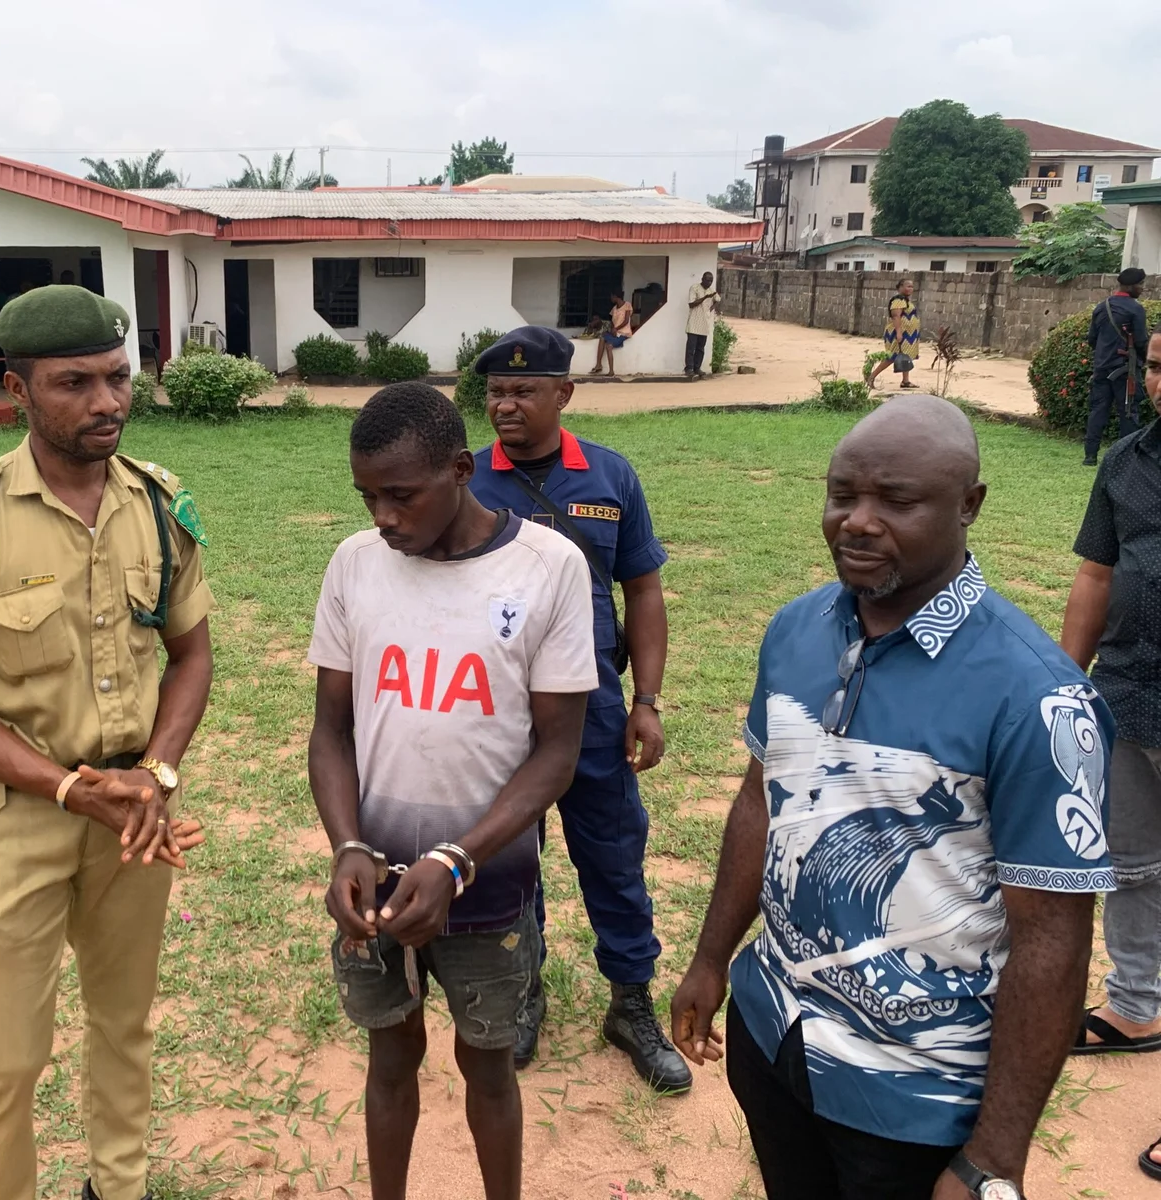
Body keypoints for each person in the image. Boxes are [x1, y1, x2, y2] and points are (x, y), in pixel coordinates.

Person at [671, 394, 1115, 1200]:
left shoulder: (1036, 697)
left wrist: (995, 1159)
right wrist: (710, 959)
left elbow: (1052, 938)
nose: (858, 522)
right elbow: (758, 805)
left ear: (969, 505)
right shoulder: (797, 631)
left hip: (914, 1093)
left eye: (897, 502)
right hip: (775, 1034)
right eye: (842, 495)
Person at [0, 285, 215, 1200]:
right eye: (75, 383)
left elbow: (191, 656)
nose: (107, 402)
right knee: (7, 1057)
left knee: (126, 1026)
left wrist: (156, 772)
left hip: (138, 816)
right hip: (15, 817)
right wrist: (71, 788)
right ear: (18, 389)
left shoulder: (160, 503)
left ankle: (121, 1188)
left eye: (117, 378)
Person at [308, 381, 597, 1200]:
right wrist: (347, 848)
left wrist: (456, 859)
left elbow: (556, 754)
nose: (383, 518)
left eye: (401, 495)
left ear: (462, 470)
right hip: (375, 888)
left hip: (490, 884)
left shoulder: (548, 569)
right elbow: (331, 731)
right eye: (368, 497)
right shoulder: (355, 566)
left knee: (489, 1065)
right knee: (390, 1056)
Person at [467, 326, 688, 1092]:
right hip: (498, 718)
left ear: (565, 393)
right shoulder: (465, 480)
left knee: (614, 859)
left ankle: (630, 1004)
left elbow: (644, 592)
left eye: (525, 391)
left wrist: (648, 700)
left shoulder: (609, 476)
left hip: (593, 709)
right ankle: (524, 994)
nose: (507, 405)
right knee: (509, 866)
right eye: (496, 391)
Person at [1061, 332, 1161, 1135]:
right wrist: (1062, 681)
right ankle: (1135, 1006)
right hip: (1128, 692)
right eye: (1158, 363)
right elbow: (1096, 574)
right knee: (1131, 862)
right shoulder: (1127, 461)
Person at [1081, 267, 1148, 466]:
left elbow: (1092, 339)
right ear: (1131, 286)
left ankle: (1090, 456)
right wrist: (1146, 363)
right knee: (1128, 412)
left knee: (1097, 411)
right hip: (1124, 370)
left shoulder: (1102, 307)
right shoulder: (1135, 309)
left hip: (1101, 368)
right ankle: (1126, 458)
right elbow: (1142, 342)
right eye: (1140, 284)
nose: (1142, 289)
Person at [868, 278, 920, 390]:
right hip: (899, 333)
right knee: (891, 357)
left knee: (906, 356)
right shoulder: (898, 300)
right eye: (907, 286)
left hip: (908, 335)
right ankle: (871, 377)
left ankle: (905, 381)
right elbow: (896, 316)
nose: (910, 288)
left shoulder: (905, 300)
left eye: (911, 286)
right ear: (900, 287)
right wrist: (899, 332)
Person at [684, 272, 720, 377]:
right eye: (707, 280)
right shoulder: (694, 288)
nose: (709, 282)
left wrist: (711, 309)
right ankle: (689, 368)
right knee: (691, 347)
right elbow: (691, 304)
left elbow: (718, 299)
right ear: (702, 279)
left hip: (704, 323)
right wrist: (705, 297)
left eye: (711, 281)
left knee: (700, 348)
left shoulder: (711, 291)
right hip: (694, 323)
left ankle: (697, 368)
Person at [590, 291, 633, 376]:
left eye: (612, 297)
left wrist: (616, 329)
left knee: (609, 346)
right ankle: (598, 364)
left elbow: (626, 321)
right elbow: (612, 321)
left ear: (616, 297)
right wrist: (612, 329)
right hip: (615, 333)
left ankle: (611, 371)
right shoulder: (614, 309)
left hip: (624, 333)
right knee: (602, 337)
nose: (611, 299)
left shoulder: (627, 305)